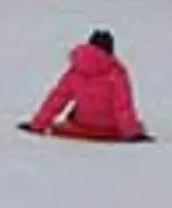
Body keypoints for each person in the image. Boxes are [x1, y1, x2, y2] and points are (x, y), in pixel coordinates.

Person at [19, 29, 149, 141]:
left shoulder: (76, 70)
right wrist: (132, 134)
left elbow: (57, 99)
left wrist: (37, 125)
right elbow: (123, 106)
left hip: (82, 125)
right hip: (109, 128)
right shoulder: (116, 73)